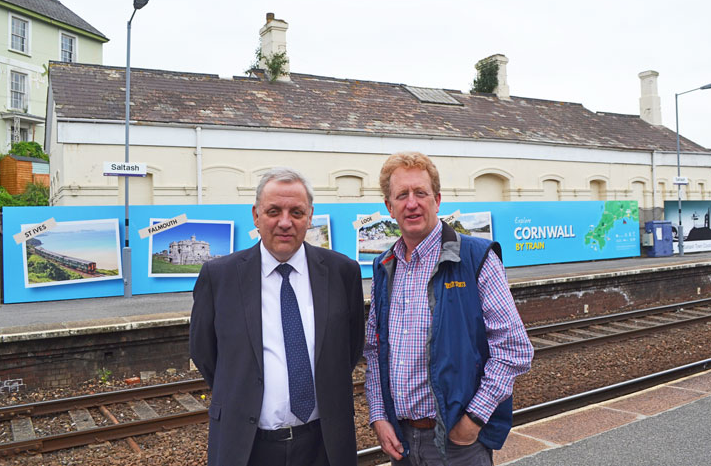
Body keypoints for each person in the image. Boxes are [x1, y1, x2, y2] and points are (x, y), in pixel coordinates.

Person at [364, 152, 534, 465]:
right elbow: (374, 350)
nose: (411, 203)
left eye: (420, 193)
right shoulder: (384, 265)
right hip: (402, 442)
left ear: (437, 199)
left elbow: (513, 350)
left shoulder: (475, 258)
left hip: (458, 444)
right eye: (401, 195)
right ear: (389, 206)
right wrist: (379, 416)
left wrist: (473, 421)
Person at [190, 167, 365, 466]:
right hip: (248, 447)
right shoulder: (219, 277)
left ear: (310, 217)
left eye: (296, 212)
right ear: (256, 216)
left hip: (324, 445)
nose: (285, 222)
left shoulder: (342, 272)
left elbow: (350, 349)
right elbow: (205, 355)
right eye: (274, 211)